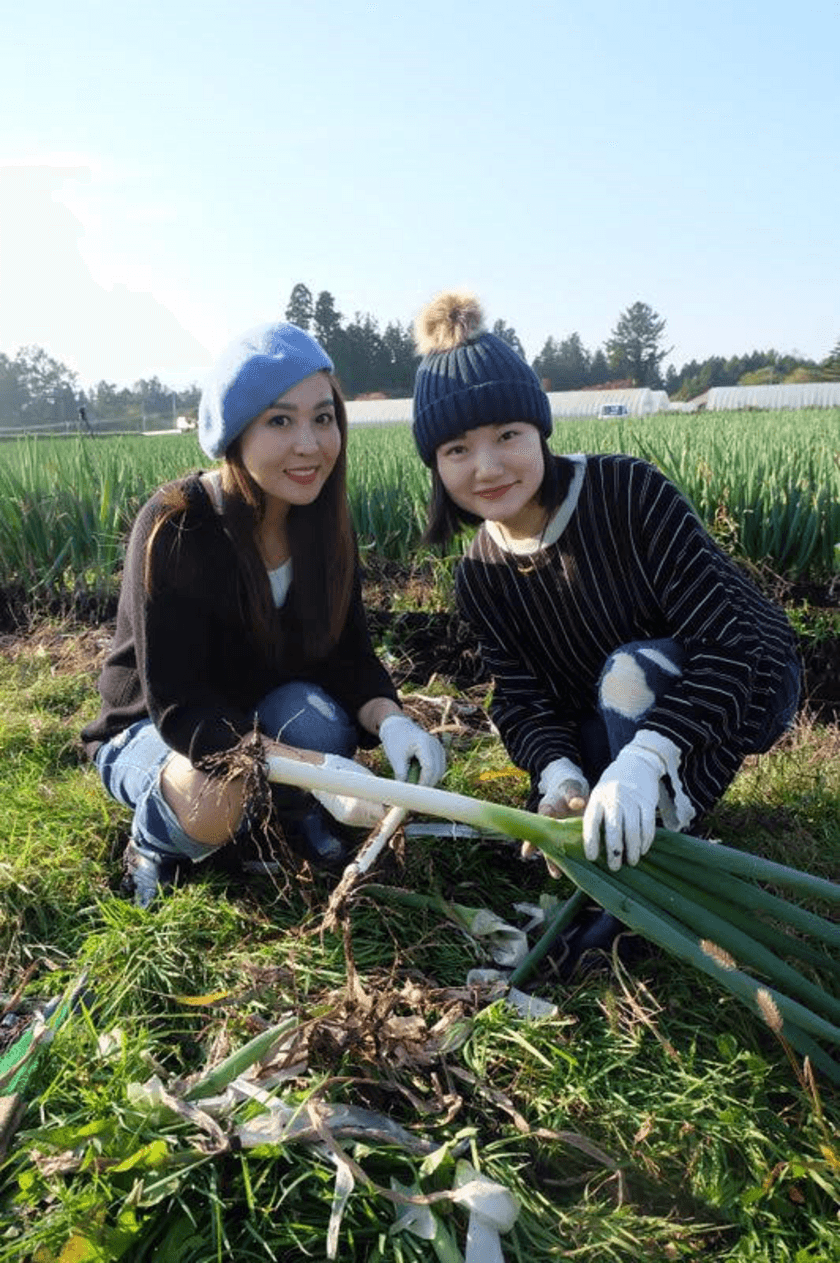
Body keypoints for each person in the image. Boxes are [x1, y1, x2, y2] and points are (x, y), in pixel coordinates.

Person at [410, 291, 801, 961]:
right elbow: (525, 698)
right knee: (592, 760)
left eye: (507, 435)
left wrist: (646, 760)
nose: (488, 465)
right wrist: (560, 775)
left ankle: (651, 875)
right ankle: (630, 852)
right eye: (457, 448)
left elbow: (732, 649)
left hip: (747, 678)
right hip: (612, 699)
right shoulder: (481, 573)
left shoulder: (627, 494)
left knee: (626, 677)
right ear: (437, 465)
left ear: (539, 429)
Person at [82, 322, 445, 907]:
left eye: (323, 418)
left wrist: (393, 720)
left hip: (257, 716)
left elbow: (350, 658)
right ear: (235, 433)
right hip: (156, 730)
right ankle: (155, 844)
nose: (309, 444)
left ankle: (279, 817)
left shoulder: (321, 522)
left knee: (327, 723)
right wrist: (318, 769)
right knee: (219, 786)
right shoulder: (178, 525)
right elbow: (183, 713)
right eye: (280, 420)